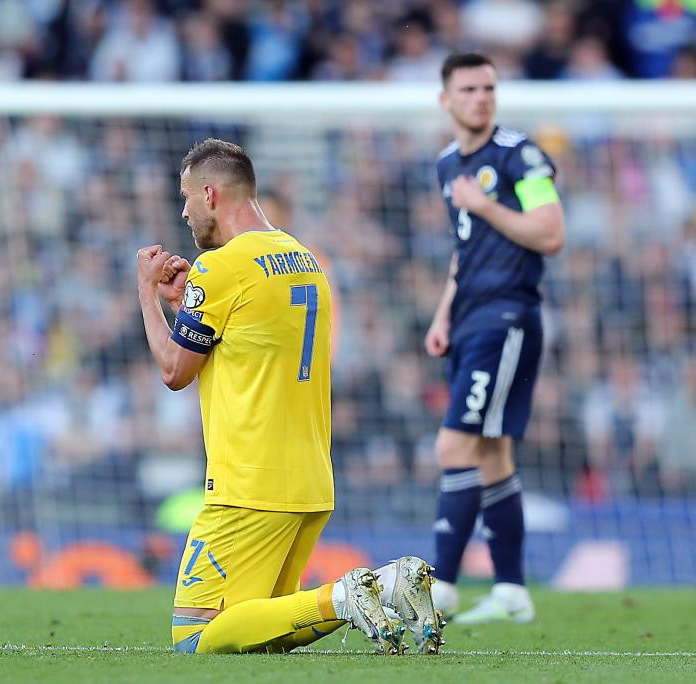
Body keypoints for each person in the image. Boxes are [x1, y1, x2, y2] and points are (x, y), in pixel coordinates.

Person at [137, 138, 443, 655]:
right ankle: (388, 586)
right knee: (263, 633)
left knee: (195, 635)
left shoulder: (222, 266)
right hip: (309, 481)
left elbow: (174, 370)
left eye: (186, 197)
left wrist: (146, 291)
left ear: (210, 194)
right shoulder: (304, 258)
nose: (184, 211)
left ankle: (343, 596)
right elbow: (244, 335)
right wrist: (189, 302)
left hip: (248, 482)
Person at [426, 53, 564, 624]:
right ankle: (511, 590)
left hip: (506, 317)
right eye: (469, 89)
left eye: (489, 87)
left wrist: (486, 205)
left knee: (453, 447)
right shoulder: (445, 165)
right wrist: (442, 314)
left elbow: (550, 232)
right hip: (469, 319)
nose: (481, 97)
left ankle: (441, 588)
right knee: (492, 455)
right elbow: (465, 252)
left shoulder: (519, 154)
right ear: (446, 100)